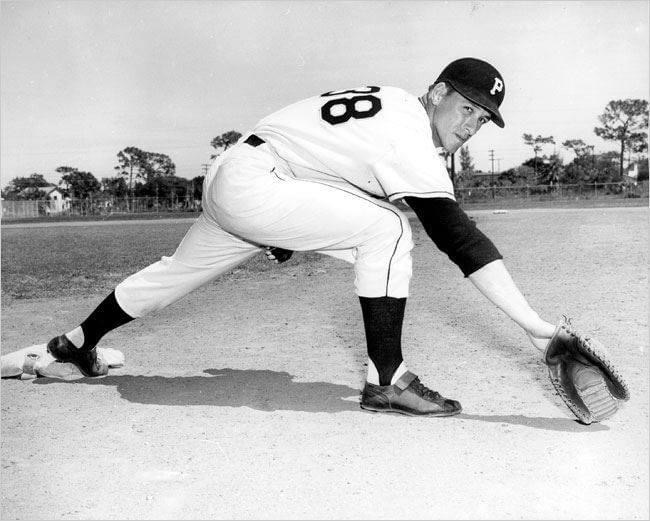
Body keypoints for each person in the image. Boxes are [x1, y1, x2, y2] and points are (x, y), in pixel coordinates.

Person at [46, 57, 557, 417]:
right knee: (391, 232)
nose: (472, 125)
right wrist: (535, 326)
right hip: (260, 182)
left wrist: (287, 224)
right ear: (438, 92)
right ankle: (387, 381)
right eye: (467, 107)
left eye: (483, 118)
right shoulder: (411, 137)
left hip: (243, 173)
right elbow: (459, 239)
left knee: (175, 273)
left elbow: (330, 161)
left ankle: (76, 344)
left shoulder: (394, 103)